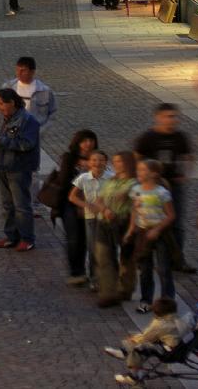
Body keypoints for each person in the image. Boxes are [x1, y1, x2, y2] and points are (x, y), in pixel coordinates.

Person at [134, 103, 195, 272]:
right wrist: (142, 180)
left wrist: (185, 175)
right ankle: (145, 257)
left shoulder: (180, 137)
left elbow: (189, 156)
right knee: (148, 221)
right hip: (152, 187)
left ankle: (177, 259)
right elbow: (136, 158)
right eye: (168, 116)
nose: (172, 120)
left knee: (176, 223)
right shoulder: (148, 138)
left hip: (173, 186)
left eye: (174, 116)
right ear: (158, 117)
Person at [0, 87, 40, 251]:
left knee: (21, 205)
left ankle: (27, 238)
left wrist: (0, 140)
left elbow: (26, 144)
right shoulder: (6, 118)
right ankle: (11, 236)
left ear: (12, 102)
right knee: (7, 205)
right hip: (3, 165)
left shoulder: (28, 120)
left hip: (19, 168)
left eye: (1, 104)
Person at [125, 158, 176, 310]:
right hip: (142, 232)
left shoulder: (162, 192)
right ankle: (146, 299)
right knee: (145, 268)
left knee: (163, 268)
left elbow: (171, 215)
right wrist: (131, 229)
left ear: (154, 174)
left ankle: (167, 300)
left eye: (142, 170)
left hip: (160, 233)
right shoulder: (136, 191)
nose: (138, 173)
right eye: (138, 169)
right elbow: (134, 211)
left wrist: (157, 229)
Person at [94, 151, 139, 306]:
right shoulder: (110, 181)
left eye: (119, 161)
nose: (116, 164)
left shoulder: (133, 183)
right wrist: (104, 209)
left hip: (123, 222)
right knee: (104, 257)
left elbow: (134, 205)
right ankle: (108, 292)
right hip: (104, 222)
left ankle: (126, 289)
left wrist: (131, 229)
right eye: (114, 161)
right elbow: (99, 200)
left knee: (126, 259)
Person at [108, 298, 189, 385]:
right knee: (143, 344)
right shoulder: (176, 318)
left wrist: (133, 339)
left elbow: (146, 337)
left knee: (137, 350)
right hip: (176, 348)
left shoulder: (160, 323)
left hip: (167, 351)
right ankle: (125, 354)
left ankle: (133, 376)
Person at [53, 130, 99, 285]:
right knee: (74, 237)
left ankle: (85, 271)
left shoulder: (97, 159)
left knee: (86, 238)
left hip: (90, 204)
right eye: (84, 140)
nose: (88, 144)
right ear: (77, 143)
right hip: (70, 203)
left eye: (91, 140)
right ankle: (76, 272)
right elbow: (64, 182)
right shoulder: (69, 159)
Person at [68, 147, 110, 289]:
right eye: (94, 160)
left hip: (107, 218)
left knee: (107, 249)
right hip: (91, 218)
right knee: (92, 248)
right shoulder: (83, 178)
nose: (97, 163)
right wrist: (86, 205)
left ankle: (108, 277)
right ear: (89, 162)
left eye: (101, 160)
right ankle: (94, 279)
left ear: (106, 162)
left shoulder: (111, 177)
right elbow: (72, 197)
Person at [0, 56, 57, 132]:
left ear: (32, 72)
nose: (19, 73)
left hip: (32, 135)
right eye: (17, 70)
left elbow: (52, 114)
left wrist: (41, 131)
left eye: (23, 70)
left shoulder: (45, 91)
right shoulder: (8, 88)